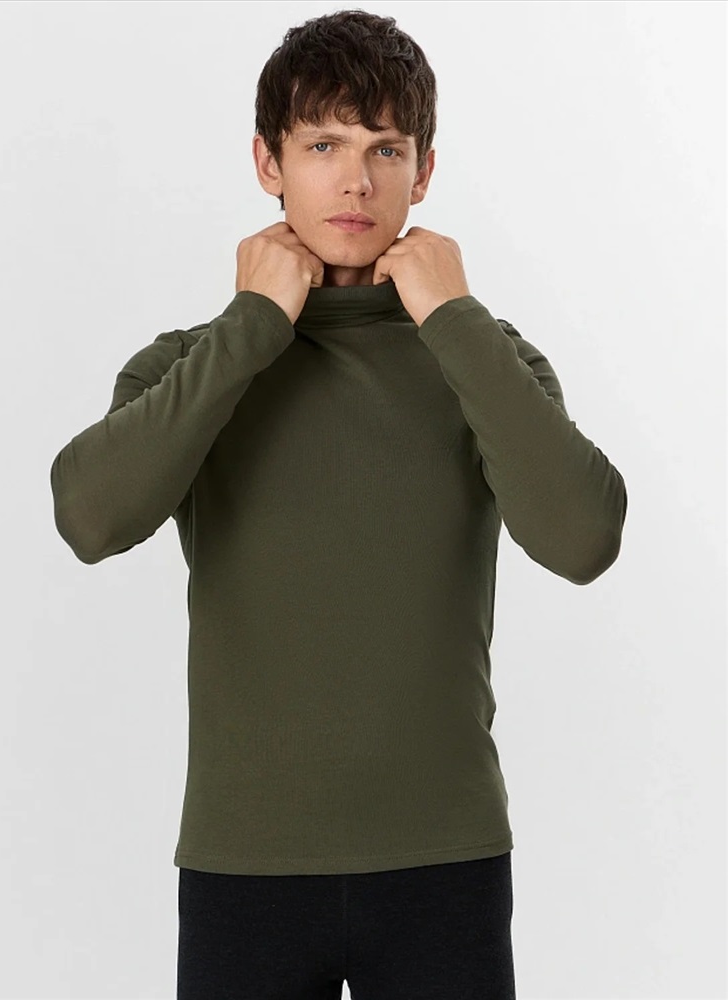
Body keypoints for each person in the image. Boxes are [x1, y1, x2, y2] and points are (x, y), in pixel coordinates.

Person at [49, 9, 628, 999]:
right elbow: (90, 520)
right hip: (245, 868)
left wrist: (452, 316)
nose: (355, 181)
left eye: (383, 149)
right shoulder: (191, 365)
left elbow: (581, 539)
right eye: (322, 145)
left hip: (444, 863)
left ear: (423, 172)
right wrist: (250, 325)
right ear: (267, 163)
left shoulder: (483, 358)